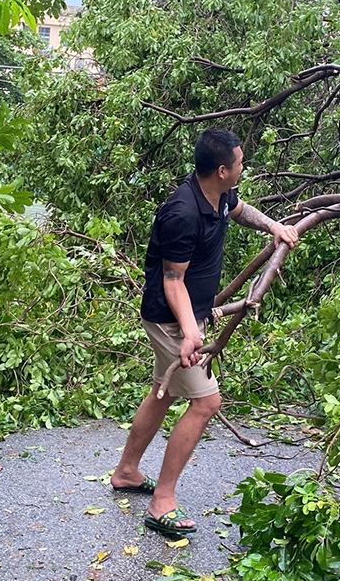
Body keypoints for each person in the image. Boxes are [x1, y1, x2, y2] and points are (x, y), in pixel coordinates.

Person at [110, 129, 299, 537]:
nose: (243, 168)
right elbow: (171, 280)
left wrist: (274, 227)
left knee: (164, 392)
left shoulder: (218, 194)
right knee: (207, 402)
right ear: (222, 170)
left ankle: (126, 471)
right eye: (240, 163)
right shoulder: (182, 213)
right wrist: (191, 332)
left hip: (187, 315)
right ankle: (163, 501)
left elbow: (241, 209)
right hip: (169, 319)